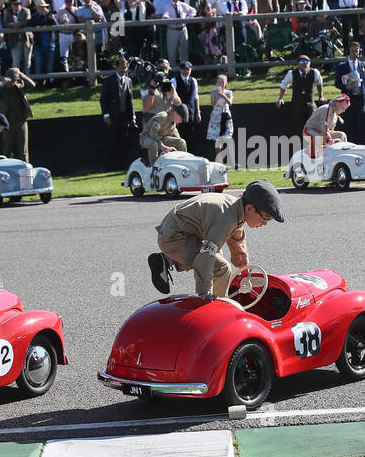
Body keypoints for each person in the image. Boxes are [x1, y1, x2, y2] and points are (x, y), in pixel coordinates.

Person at [148, 179, 285, 297]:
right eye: (266, 217)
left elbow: (236, 233)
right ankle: (216, 308)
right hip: (174, 239)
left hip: (184, 233)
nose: (265, 223)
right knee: (222, 268)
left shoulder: (236, 207)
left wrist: (241, 259)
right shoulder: (226, 219)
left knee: (217, 253)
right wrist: (204, 293)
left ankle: (166, 260)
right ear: (249, 208)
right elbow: (206, 256)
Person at [100, 55, 137, 169]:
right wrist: (106, 115)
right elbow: (103, 99)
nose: (124, 70)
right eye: (122, 68)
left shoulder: (128, 80)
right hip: (113, 116)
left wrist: (133, 116)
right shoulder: (108, 81)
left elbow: (129, 100)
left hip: (124, 116)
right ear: (116, 68)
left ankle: (122, 165)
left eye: (126, 68)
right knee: (112, 142)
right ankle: (108, 166)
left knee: (124, 141)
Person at [334, 41, 365, 143]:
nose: (355, 53)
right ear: (349, 51)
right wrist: (346, 87)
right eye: (352, 51)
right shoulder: (342, 66)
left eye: (357, 51)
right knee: (349, 124)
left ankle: (361, 146)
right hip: (347, 100)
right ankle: (350, 145)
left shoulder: (363, 65)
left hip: (360, 99)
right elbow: (337, 83)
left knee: (361, 124)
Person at [0, 67, 35, 162]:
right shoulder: (0, 86)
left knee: (23, 150)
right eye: (9, 81)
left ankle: (25, 172)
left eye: (13, 81)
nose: (10, 84)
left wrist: (21, 75)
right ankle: (7, 171)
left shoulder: (20, 85)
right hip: (7, 123)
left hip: (21, 122)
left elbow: (32, 85)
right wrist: (2, 84)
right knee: (7, 149)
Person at [277, 55, 323, 139]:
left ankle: (313, 148)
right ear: (298, 64)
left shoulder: (315, 72)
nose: (304, 64)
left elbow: (319, 83)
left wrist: (321, 96)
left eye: (306, 62)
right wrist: (280, 98)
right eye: (301, 62)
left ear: (310, 63)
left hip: (310, 104)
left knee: (313, 128)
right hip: (297, 105)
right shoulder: (291, 74)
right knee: (299, 131)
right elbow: (283, 85)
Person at [207, 73, 234, 148]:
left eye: (223, 82)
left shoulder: (229, 92)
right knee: (217, 139)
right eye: (219, 82)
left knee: (226, 137)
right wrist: (218, 96)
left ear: (226, 83)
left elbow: (230, 103)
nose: (221, 84)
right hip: (216, 116)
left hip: (225, 115)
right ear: (216, 83)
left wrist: (224, 95)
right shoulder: (213, 92)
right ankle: (218, 158)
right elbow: (212, 104)